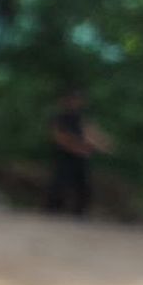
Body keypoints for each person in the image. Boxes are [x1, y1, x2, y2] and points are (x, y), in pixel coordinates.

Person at [46, 88, 110, 216]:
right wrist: (77, 148)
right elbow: (59, 137)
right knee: (60, 184)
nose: (76, 102)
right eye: (73, 100)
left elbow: (92, 133)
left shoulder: (81, 119)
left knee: (83, 186)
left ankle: (79, 212)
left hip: (80, 157)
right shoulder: (60, 118)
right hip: (65, 156)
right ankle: (53, 211)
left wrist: (103, 145)